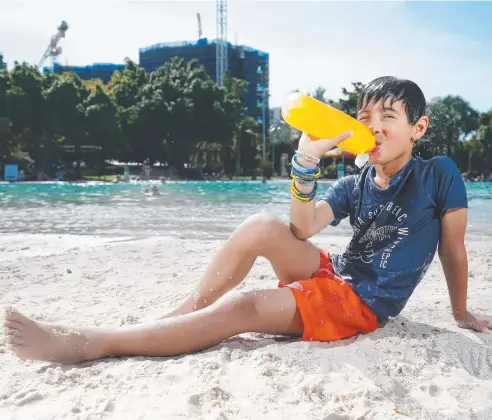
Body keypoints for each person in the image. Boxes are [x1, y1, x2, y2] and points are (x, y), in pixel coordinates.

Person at [4, 76, 491, 365]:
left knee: (245, 306)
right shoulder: (355, 183)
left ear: (418, 127)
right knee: (261, 224)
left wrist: (460, 313)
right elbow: (301, 229)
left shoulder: (438, 174)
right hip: (337, 273)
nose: (375, 126)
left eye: (389, 115)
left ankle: (92, 344)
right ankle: (182, 315)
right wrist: (304, 166)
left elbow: (452, 249)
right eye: (365, 117)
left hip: (364, 302)